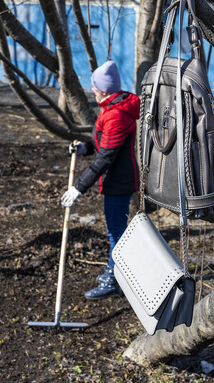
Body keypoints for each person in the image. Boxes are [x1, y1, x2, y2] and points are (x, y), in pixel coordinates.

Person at [61, 61, 140, 300]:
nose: (92, 90)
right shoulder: (113, 105)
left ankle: (114, 279)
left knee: (116, 233)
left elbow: (106, 156)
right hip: (117, 178)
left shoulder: (116, 113)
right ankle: (113, 270)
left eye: (94, 87)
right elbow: (103, 143)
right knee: (115, 231)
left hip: (119, 181)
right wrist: (85, 147)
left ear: (103, 90)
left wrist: (78, 187)